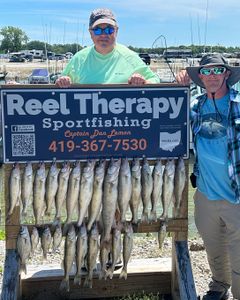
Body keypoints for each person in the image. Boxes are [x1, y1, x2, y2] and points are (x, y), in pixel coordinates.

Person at [177, 54, 240, 300]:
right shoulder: (193, 106)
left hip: (236, 194)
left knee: (239, 253)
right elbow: (161, 119)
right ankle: (219, 286)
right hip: (204, 194)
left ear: (226, 74)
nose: (212, 76)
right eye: (207, 71)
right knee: (214, 248)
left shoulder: (238, 104)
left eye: (217, 71)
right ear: (200, 77)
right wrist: (178, 88)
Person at [56, 8, 159, 87]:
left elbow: (155, 80)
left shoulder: (130, 57)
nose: (103, 34)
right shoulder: (79, 58)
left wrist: (144, 81)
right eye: (97, 30)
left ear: (116, 31)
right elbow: (59, 82)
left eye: (109, 30)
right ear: (90, 33)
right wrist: (62, 81)